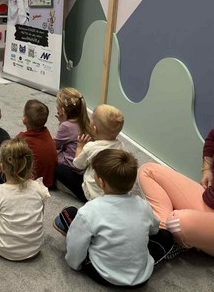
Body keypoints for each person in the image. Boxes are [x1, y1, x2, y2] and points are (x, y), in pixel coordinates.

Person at [54, 149, 175, 287]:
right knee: (167, 236)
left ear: (101, 182)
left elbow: (76, 246)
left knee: (69, 214)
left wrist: (74, 264)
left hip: (103, 275)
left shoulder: (89, 211)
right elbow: (154, 231)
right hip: (140, 279)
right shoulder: (143, 205)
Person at [137, 126, 214, 257]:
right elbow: (212, 137)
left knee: (177, 221)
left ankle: (176, 236)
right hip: (209, 198)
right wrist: (207, 168)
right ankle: (164, 236)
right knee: (148, 171)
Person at [0, 137, 50, 261]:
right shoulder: (39, 188)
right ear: (30, 164)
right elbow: (40, 214)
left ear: (2, 167)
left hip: (7, 251)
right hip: (35, 247)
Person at [55, 104, 126, 202]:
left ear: (95, 129)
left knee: (60, 170)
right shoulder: (122, 146)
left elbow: (77, 165)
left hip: (93, 196)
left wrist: (80, 146)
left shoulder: (91, 147)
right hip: (113, 191)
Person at [17, 99, 58, 188]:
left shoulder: (22, 138)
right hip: (49, 180)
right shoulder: (46, 133)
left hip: (32, 183)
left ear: (24, 120)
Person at [53, 87, 91, 169]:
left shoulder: (66, 126)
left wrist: (61, 123)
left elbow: (53, 145)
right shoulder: (85, 121)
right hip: (82, 163)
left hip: (70, 165)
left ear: (63, 110)